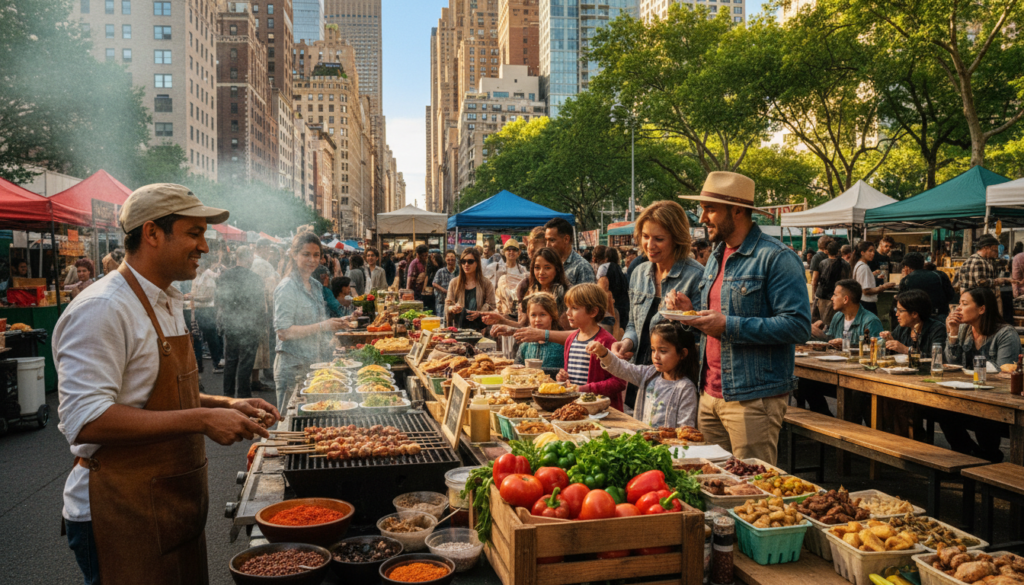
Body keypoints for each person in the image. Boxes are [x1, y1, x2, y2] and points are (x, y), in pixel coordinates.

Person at [55, 184, 279, 585]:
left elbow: (157, 395)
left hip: (171, 505)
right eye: (194, 233)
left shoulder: (167, 300)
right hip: (119, 511)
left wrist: (223, 404)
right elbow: (87, 421)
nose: (205, 247)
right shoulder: (103, 308)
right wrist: (201, 418)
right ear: (152, 234)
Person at [667, 171, 811, 464]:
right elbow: (716, 317)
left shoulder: (777, 257)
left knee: (754, 492)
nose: (703, 218)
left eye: (710, 209)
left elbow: (798, 326)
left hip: (753, 399)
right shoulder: (717, 255)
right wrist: (689, 313)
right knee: (711, 483)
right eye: (703, 209)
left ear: (737, 209)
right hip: (709, 393)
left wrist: (727, 325)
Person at [610, 201, 704, 410]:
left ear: (676, 239)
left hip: (675, 383)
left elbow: (701, 339)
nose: (650, 245)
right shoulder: (638, 273)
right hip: (640, 375)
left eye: (659, 239)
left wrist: (688, 315)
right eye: (645, 237)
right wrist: (626, 343)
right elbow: (634, 324)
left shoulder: (696, 276)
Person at [942, 287, 1019, 461]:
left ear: (982, 309)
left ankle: (989, 457)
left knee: (984, 419)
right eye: (958, 304)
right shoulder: (964, 330)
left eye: (964, 304)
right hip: (969, 394)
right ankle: (970, 454)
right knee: (943, 411)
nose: (958, 309)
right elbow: (952, 365)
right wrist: (953, 333)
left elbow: (1004, 371)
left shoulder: (1005, 334)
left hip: (998, 401)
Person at [273, 234, 349, 410]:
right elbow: (284, 332)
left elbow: (319, 323)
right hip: (293, 367)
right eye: (306, 254)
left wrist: (334, 334)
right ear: (294, 254)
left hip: (314, 363)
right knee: (288, 424)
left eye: (316, 255)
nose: (312, 260)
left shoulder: (315, 285)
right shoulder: (287, 287)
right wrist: (324, 326)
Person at [588, 321, 699, 429]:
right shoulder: (649, 374)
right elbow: (622, 368)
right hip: (644, 442)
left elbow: (685, 429)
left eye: (663, 351)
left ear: (683, 354)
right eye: (653, 350)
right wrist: (604, 353)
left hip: (670, 446)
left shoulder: (685, 388)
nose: (656, 356)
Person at [556, 283, 626, 410]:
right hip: (576, 408)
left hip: (602, 411)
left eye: (574, 308)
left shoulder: (606, 342)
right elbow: (572, 376)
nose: (567, 313)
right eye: (567, 308)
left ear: (593, 311)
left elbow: (619, 382)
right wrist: (563, 377)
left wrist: (586, 389)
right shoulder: (571, 339)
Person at [216, 246, 267, 399]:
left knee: (230, 360)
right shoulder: (255, 278)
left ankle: (228, 395)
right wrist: (261, 326)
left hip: (231, 323)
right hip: (249, 325)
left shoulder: (224, 276)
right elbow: (259, 305)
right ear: (249, 257)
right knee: (246, 361)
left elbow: (219, 301)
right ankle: (244, 395)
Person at [482, 247, 571, 330]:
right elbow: (522, 325)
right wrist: (501, 320)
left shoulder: (564, 294)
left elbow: (565, 332)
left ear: (557, 269)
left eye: (547, 268)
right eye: (537, 267)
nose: (541, 272)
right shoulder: (530, 291)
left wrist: (540, 335)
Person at [810, 279, 884, 345]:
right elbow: (830, 341)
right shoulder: (837, 317)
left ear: (845, 299)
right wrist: (819, 333)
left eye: (835, 295)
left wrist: (847, 345)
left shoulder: (870, 321)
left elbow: (875, 349)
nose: (832, 298)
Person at [956, 235, 1015, 316]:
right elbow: (981, 282)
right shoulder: (979, 261)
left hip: (972, 302)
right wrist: (998, 281)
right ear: (986, 248)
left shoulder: (971, 260)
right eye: (994, 250)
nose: (996, 254)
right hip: (979, 302)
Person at [881, 289, 945, 359]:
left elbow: (937, 358)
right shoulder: (902, 328)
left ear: (914, 314)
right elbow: (894, 356)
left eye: (901, 311)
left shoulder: (937, 329)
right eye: (896, 310)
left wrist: (907, 350)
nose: (896, 314)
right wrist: (889, 343)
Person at [508, 292, 565, 369]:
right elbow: (516, 369)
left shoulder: (561, 344)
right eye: (533, 315)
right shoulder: (524, 346)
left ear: (552, 316)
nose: (537, 320)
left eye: (542, 314)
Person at [445, 248, 495, 331]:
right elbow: (447, 305)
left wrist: (479, 313)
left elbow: (492, 306)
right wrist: (453, 308)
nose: (466, 264)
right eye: (463, 261)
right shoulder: (454, 283)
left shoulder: (486, 283)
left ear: (477, 263)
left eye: (470, 261)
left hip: (480, 329)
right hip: (459, 329)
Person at [190, 256, 224, 374]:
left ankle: (217, 362)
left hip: (207, 310)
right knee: (198, 338)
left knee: (211, 338)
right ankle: (200, 366)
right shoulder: (197, 278)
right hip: (198, 310)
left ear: (202, 267)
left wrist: (192, 297)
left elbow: (209, 297)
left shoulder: (209, 279)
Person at [898, 252, 956, 320]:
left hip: (918, 319)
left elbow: (902, 302)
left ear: (906, 267)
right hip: (940, 317)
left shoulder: (906, 281)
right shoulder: (940, 275)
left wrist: (905, 278)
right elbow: (951, 295)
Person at [545, 217, 595, 286]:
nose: (547, 245)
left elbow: (588, 296)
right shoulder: (549, 263)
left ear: (566, 239)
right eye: (546, 240)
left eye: (552, 240)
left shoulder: (582, 267)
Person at [814, 239, 851, 327]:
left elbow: (815, 280)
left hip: (822, 296)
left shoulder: (822, 263)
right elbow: (848, 281)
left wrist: (814, 295)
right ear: (839, 251)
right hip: (839, 297)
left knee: (823, 324)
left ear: (827, 251)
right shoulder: (845, 264)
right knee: (837, 324)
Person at [852, 241, 896, 315]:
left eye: (873, 251)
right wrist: (884, 287)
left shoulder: (859, 265)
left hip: (862, 302)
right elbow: (866, 291)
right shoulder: (863, 267)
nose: (873, 253)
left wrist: (873, 276)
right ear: (862, 253)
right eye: (870, 251)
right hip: (866, 303)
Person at [597, 247, 630, 332]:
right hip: (623, 305)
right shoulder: (620, 269)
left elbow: (600, 286)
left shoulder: (603, 267)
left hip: (609, 305)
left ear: (606, 257)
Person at [808, 236, 834, 321]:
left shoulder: (816, 257)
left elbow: (815, 279)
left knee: (817, 320)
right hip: (832, 293)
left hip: (821, 293)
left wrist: (814, 295)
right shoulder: (834, 257)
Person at [433, 250, 457, 323]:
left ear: (455, 259)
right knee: (441, 321)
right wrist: (444, 290)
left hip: (454, 302)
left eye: (452, 258)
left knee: (452, 322)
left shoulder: (458, 271)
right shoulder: (441, 271)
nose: (450, 261)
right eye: (448, 258)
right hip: (441, 301)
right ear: (445, 259)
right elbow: (434, 283)